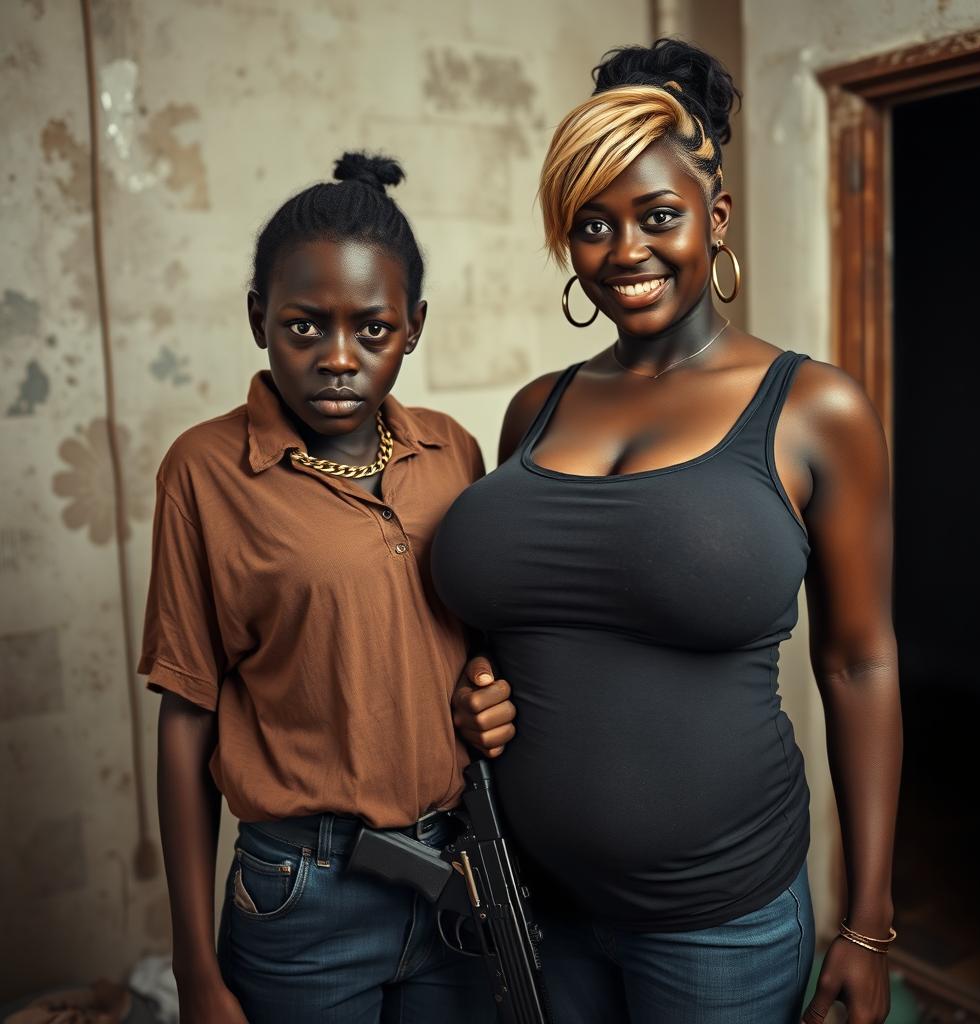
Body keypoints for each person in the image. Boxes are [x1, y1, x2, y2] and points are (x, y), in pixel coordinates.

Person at [433, 39, 901, 1024]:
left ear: (713, 218)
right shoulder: (536, 409)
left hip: (719, 927)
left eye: (657, 217)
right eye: (592, 224)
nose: (625, 251)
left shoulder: (815, 409)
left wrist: (864, 922)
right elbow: (518, 620)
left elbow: (859, 665)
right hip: (537, 906)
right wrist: (475, 686)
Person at [139, 152, 496, 1024]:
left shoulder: (454, 452)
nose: (340, 358)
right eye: (305, 327)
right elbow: (188, 715)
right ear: (260, 318)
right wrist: (194, 964)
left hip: (459, 873)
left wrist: (488, 694)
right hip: (305, 891)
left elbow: (475, 637)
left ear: (413, 327)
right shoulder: (205, 471)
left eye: (371, 330)